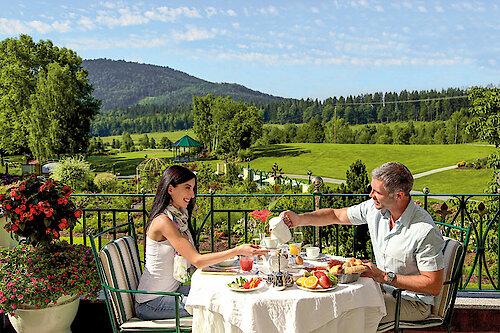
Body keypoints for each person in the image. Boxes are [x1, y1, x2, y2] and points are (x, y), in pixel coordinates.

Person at [280, 162, 445, 324]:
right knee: (327, 304)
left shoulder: (424, 230)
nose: (371, 195)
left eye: (377, 192)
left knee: (345, 315)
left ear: (399, 195)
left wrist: (385, 277)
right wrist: (299, 219)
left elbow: (433, 285)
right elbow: (335, 215)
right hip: (379, 290)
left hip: (411, 302)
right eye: (371, 189)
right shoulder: (375, 210)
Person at [135, 165, 268, 320]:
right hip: (152, 302)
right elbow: (197, 260)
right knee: (218, 306)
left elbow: (194, 256)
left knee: (222, 291)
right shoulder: (164, 221)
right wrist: (237, 250)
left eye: (193, 188)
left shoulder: (179, 218)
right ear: (170, 189)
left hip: (172, 291)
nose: (192, 194)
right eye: (187, 187)